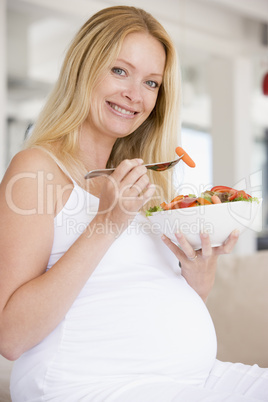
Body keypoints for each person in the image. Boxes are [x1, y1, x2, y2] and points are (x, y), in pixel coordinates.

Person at [0, 5, 267, 402]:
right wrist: (108, 221)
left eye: (152, 83)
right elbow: (12, 336)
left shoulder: (144, 184)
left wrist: (198, 273)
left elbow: (140, 297)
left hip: (192, 378)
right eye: (119, 71)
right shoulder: (37, 169)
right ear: (83, 69)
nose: (134, 95)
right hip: (91, 385)